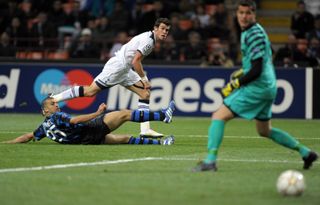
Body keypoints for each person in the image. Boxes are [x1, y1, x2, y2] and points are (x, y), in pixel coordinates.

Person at [193, 0, 318, 172]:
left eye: (248, 13)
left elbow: (257, 69)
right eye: (241, 13)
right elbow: (268, 55)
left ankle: (210, 161)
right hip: (268, 86)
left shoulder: (254, 34)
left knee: (218, 116)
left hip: (257, 87)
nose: (244, 16)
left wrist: (236, 83)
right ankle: (305, 152)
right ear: (236, 14)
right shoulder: (255, 32)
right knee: (264, 130)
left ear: (254, 14)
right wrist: (244, 70)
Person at [51, 18, 171, 138]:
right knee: (90, 91)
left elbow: (134, 60)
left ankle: (145, 130)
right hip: (117, 68)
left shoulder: (150, 38)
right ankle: (54, 99)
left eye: (167, 30)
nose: (165, 32)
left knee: (145, 94)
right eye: (162, 29)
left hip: (125, 70)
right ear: (155, 28)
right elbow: (136, 61)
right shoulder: (149, 41)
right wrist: (144, 79)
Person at [2, 96, 176, 145]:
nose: (58, 105)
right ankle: (163, 115)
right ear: (45, 110)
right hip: (89, 129)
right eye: (54, 103)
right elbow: (75, 120)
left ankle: (162, 144)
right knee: (124, 114)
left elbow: (29, 136)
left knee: (123, 139)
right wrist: (97, 112)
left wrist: (8, 142)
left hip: (85, 141)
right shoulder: (56, 116)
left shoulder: (43, 128)